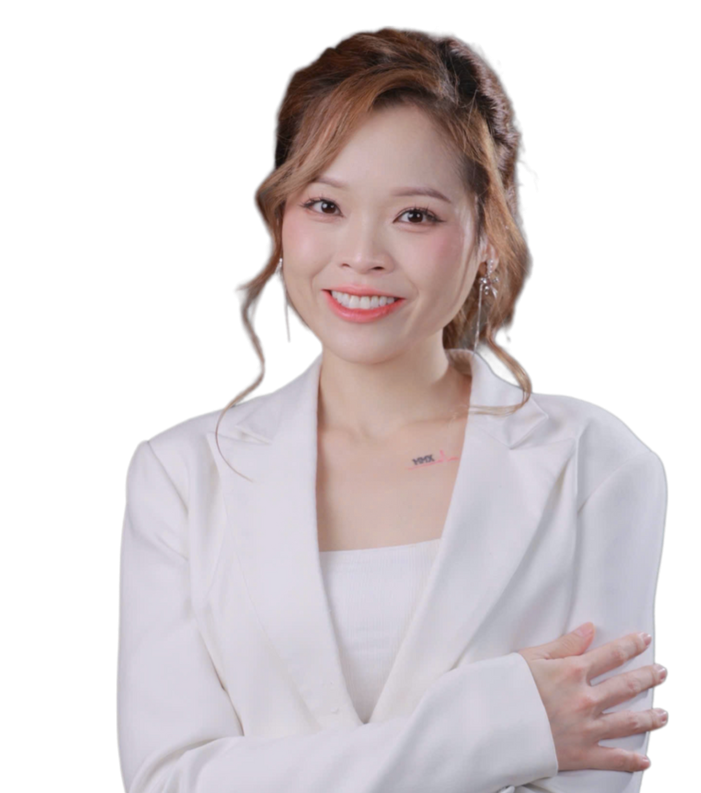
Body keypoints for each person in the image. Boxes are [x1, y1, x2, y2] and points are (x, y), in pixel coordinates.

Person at [116, 26, 668, 792]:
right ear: (281, 216)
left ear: (487, 233)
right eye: (325, 204)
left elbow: (593, 781)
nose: (362, 254)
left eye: (416, 215)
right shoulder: (180, 476)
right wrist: (501, 728)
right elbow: (171, 780)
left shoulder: (595, 466)